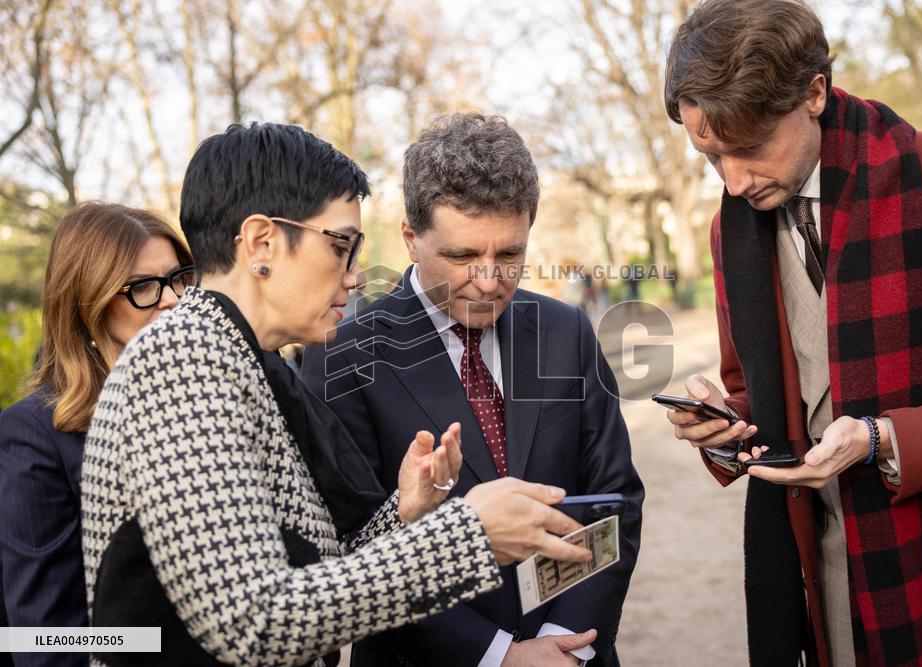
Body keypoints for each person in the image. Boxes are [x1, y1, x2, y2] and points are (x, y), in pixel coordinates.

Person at [81, 122, 593, 666]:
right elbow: (252, 622)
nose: (354, 278)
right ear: (261, 243)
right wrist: (466, 535)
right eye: (341, 247)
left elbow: (315, 572)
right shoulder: (183, 364)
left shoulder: (249, 360)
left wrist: (406, 512)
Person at [662, 1, 922, 665]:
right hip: (826, 580)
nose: (732, 180)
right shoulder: (728, 230)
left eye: (749, 147)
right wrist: (721, 427)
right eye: (711, 155)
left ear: (813, 92)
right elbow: (758, 402)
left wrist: (885, 438)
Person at [301, 113, 644, 667]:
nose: (489, 281)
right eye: (462, 257)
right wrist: (499, 657)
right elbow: (357, 546)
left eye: (509, 255)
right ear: (411, 238)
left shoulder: (565, 331)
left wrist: (566, 640)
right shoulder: (341, 351)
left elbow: (616, 500)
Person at [0, 201, 196, 667]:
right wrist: (167, 646)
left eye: (179, 277)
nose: (171, 298)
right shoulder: (32, 437)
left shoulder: (195, 405)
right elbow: (39, 641)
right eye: (142, 286)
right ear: (87, 304)